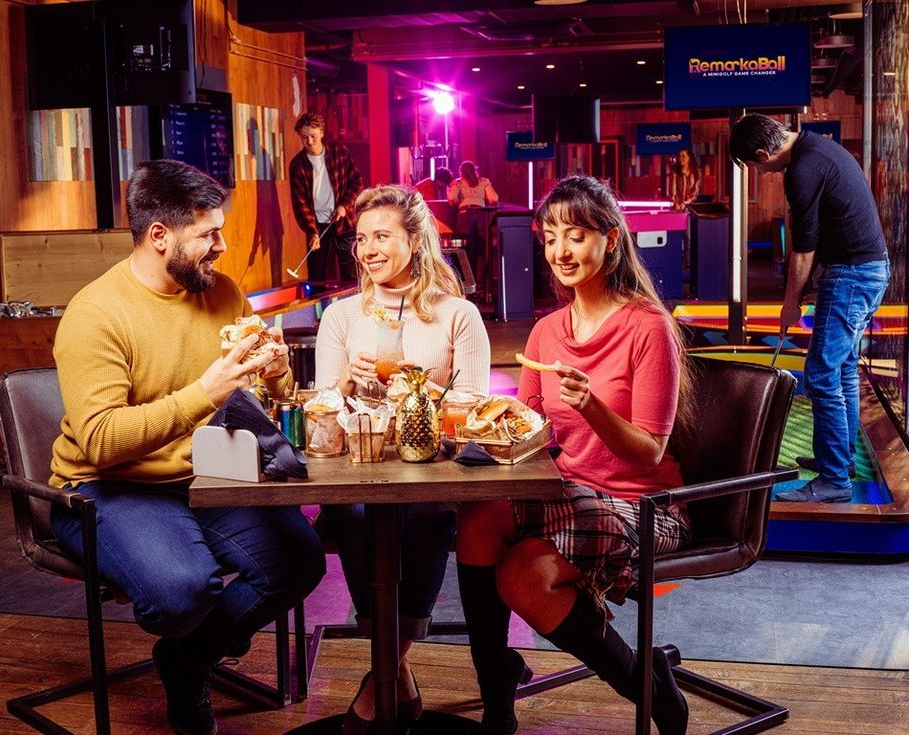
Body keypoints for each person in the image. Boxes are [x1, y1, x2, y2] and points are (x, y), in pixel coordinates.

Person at [49, 160, 326, 735]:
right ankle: (191, 639)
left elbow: (260, 397)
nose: (222, 247)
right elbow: (100, 442)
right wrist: (205, 392)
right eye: (209, 234)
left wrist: (276, 372)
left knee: (300, 560)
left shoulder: (221, 292)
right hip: (110, 487)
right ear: (159, 236)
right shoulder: (96, 314)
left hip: (205, 476)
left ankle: (186, 661)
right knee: (181, 594)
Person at [456, 175, 692, 735]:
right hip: (567, 491)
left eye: (576, 236)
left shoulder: (649, 327)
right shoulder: (545, 331)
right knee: (478, 521)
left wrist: (591, 405)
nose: (561, 251)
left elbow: (649, 451)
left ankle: (648, 687)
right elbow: (531, 432)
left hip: (644, 505)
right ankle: (495, 691)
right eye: (551, 237)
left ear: (611, 240)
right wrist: (487, 421)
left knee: (523, 575)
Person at [314, 184, 491, 733]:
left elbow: (475, 409)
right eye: (361, 238)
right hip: (359, 469)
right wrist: (348, 383)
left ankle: (384, 673)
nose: (368, 249)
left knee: (427, 515)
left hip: (433, 472)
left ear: (414, 241)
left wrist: (418, 391)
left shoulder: (458, 314)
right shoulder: (341, 316)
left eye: (382, 236)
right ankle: (396, 673)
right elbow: (321, 413)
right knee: (350, 515)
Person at [729, 114, 890, 503]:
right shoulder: (818, 147)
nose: (760, 172)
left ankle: (834, 481)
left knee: (820, 374)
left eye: (754, 165)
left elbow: (803, 248)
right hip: (869, 270)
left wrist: (790, 304)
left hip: (852, 276)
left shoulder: (801, 170)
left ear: (763, 154)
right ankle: (840, 461)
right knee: (843, 368)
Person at [288, 111, 364, 283]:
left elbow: (357, 181)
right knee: (317, 276)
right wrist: (312, 232)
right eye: (304, 137)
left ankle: (354, 300)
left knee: (351, 274)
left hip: (345, 222)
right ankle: (317, 302)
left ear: (322, 132)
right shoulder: (297, 165)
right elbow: (300, 204)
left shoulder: (339, 152)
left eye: (313, 136)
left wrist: (345, 205)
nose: (309, 142)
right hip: (316, 225)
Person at [448, 160, 499, 287]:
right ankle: (482, 281)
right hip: (481, 214)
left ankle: (467, 281)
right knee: (482, 246)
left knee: (465, 247)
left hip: (464, 215)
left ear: (461, 172)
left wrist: (458, 199)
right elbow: (494, 198)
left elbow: (451, 199)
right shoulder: (484, 182)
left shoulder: (458, 183)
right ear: (475, 170)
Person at [668, 148, 700, 212]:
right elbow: (672, 190)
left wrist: (686, 203)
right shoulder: (675, 172)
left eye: (683, 156)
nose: (680, 158)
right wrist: (676, 203)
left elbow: (695, 191)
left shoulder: (696, 172)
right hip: (677, 208)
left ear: (689, 158)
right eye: (679, 156)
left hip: (691, 208)